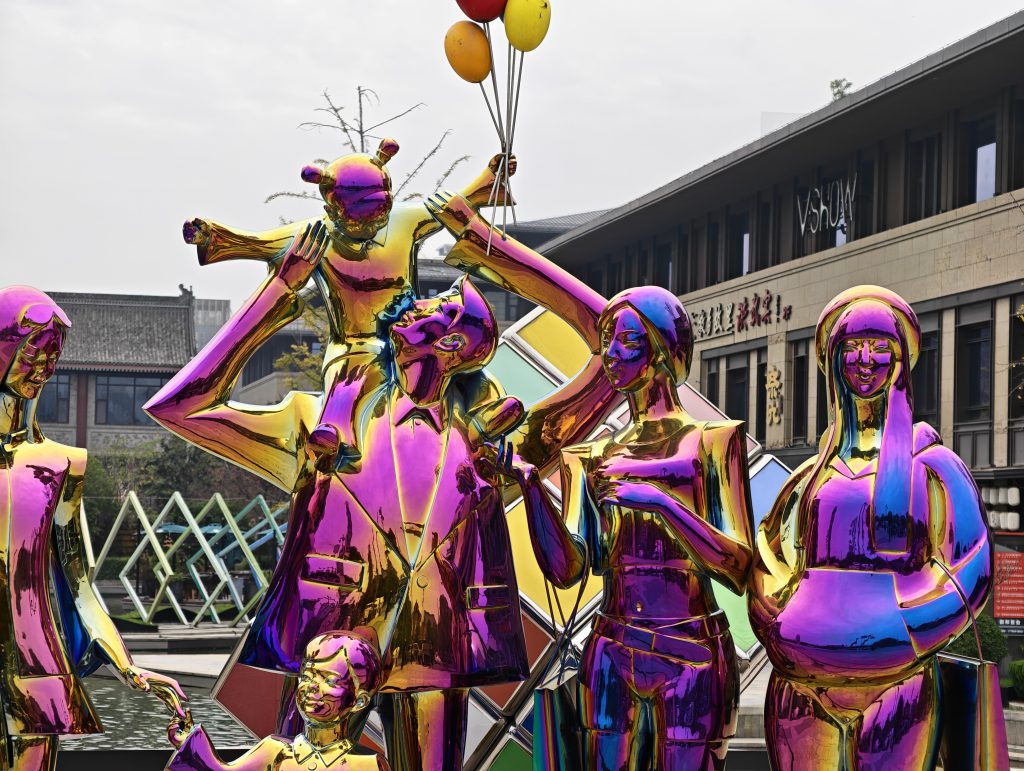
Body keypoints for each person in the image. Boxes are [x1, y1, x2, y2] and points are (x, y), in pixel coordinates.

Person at [145, 197, 617, 771]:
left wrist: (492, 247)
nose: (415, 299)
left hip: (436, 655)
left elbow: (611, 339)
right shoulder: (320, 424)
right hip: (326, 653)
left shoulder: (489, 447)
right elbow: (181, 408)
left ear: (451, 346)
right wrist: (278, 292)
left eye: (438, 305)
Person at [498, 286, 755, 771]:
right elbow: (567, 570)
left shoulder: (713, 442)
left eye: (628, 341)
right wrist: (531, 487)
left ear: (662, 350)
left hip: (693, 653)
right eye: (607, 341)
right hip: (612, 649)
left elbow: (739, 567)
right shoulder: (590, 457)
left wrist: (662, 504)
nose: (611, 353)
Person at [747, 286, 992, 770]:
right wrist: (776, 621)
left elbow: (974, 565)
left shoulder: (933, 465)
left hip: (898, 684)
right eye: (853, 346)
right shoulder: (812, 474)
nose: (865, 360)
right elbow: (768, 552)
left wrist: (907, 629)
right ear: (834, 359)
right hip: (799, 683)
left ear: (900, 359)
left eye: (880, 347)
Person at [181, 140, 515, 471]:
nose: (372, 228)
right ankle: (336, 433)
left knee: (467, 365)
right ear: (331, 212)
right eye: (360, 221)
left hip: (417, 331)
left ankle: (486, 408)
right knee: (350, 381)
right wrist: (214, 237)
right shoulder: (316, 237)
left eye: (380, 215)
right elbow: (256, 243)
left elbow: (450, 208)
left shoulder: (404, 222)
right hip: (356, 345)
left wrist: (488, 181)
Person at [0, 285, 187, 771]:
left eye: (52, 356)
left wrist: (128, 665)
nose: (43, 368)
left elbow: (80, 586)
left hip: (39, 665)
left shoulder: (61, 465)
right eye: (33, 351)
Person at [166, 631, 390, 771]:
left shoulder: (368, 765)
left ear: (360, 701)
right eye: (307, 676)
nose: (312, 686)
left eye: (329, 680)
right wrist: (188, 743)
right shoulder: (274, 750)